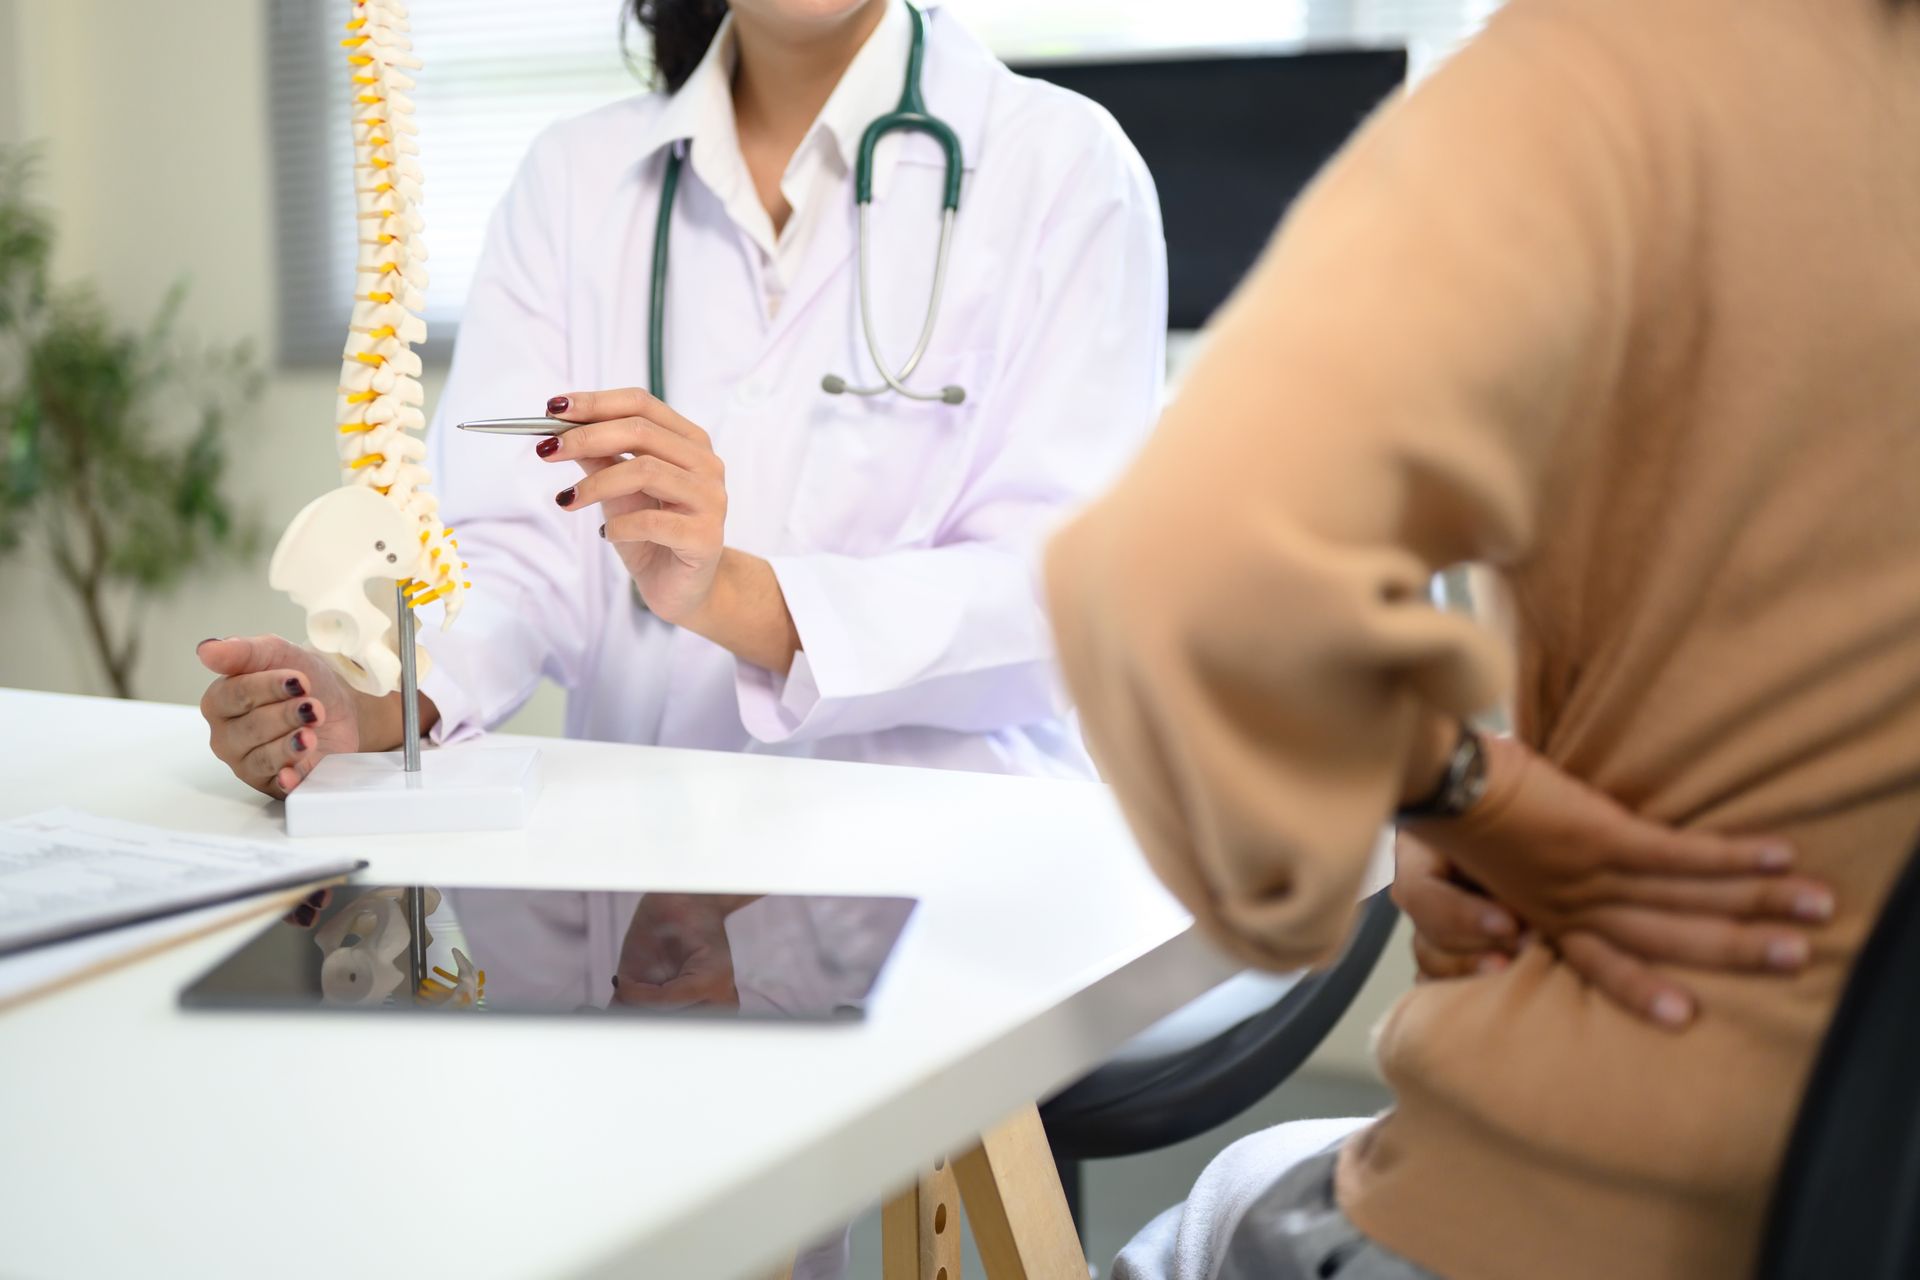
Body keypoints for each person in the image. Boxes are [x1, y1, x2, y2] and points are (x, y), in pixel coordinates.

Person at [1045, 0, 1920, 1276]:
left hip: (1622, 1187)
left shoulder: (1625, 67)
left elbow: (1179, 567)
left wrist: (1466, 789)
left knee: (1207, 1218)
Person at [197, 0, 1166, 796]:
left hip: (946, 887)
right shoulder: (571, 183)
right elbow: (507, 558)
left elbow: (1070, 602)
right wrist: (378, 699)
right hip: (633, 863)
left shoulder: (1066, 171)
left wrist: (735, 593)